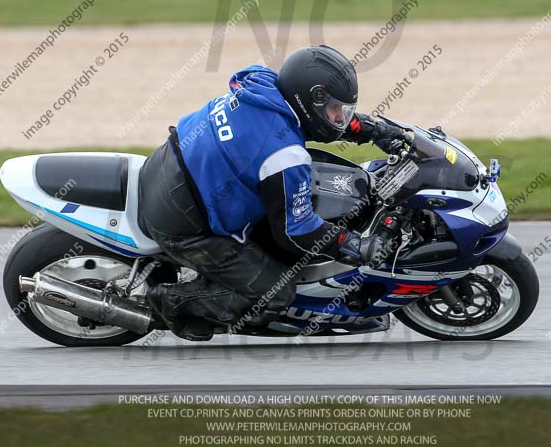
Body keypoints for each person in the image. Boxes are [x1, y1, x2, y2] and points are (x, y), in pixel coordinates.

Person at [139, 45, 407, 341]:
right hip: (182, 221)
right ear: (313, 99)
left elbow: (313, 121)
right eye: (335, 110)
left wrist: (370, 129)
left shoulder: (263, 84)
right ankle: (170, 302)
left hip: (170, 162)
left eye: (343, 112)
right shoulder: (284, 155)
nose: (339, 118)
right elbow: (295, 231)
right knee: (275, 292)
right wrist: (354, 245)